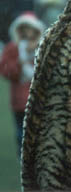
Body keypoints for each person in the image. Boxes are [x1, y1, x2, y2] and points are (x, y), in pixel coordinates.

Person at [0, 11, 45, 157]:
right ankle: (24, 161)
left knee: (39, 134)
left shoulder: (43, 47)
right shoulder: (13, 48)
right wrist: (19, 63)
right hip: (20, 102)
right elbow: (5, 70)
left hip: (39, 100)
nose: (26, 32)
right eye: (23, 29)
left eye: (29, 28)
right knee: (21, 134)